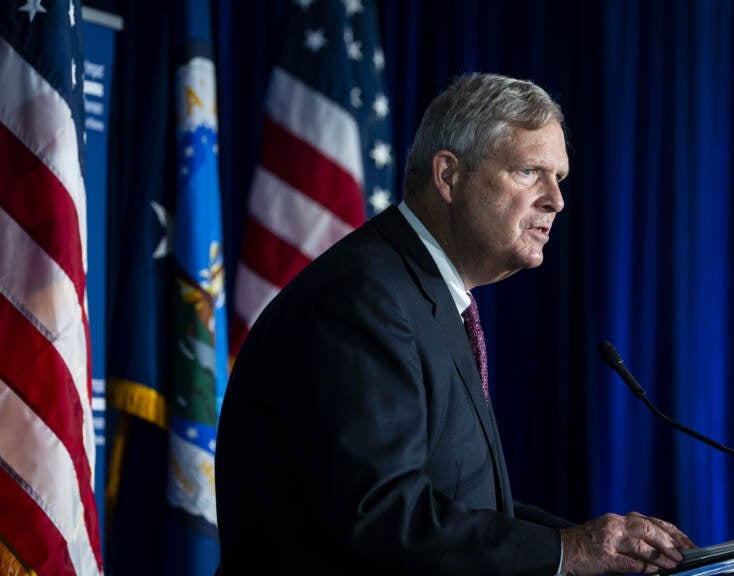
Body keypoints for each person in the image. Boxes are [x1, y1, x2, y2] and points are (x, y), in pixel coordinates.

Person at [215, 72, 695, 575]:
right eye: (531, 171)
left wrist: (597, 549)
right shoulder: (363, 299)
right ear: (448, 175)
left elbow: (464, 508)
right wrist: (566, 553)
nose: (556, 200)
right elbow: (378, 516)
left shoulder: (425, 294)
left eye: (560, 178)